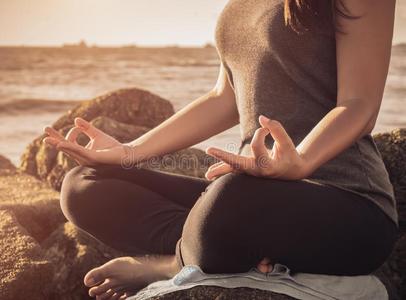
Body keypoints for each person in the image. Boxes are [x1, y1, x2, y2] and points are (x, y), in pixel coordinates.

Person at [43, 0, 399, 299]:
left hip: (348, 206)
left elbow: (359, 103)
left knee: (231, 196)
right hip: (253, 196)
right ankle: (212, 244)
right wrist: (129, 152)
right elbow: (225, 97)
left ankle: (171, 264)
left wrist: (300, 163)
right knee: (83, 185)